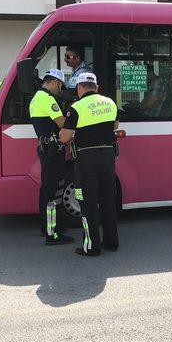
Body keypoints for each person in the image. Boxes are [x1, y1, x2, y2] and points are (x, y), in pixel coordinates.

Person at [59, 72, 119, 257]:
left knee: (87, 203)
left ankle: (92, 246)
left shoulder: (76, 107)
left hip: (86, 160)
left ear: (79, 88)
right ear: (97, 88)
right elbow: (115, 125)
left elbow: (64, 137)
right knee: (108, 200)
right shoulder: (110, 103)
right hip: (108, 157)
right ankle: (112, 242)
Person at [29, 69, 74, 246]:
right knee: (53, 191)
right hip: (53, 150)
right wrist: (74, 117)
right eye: (60, 86)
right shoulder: (47, 99)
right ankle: (52, 233)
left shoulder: (36, 98)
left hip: (45, 148)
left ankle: (46, 226)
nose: (60, 89)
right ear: (55, 82)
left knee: (47, 188)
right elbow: (61, 123)